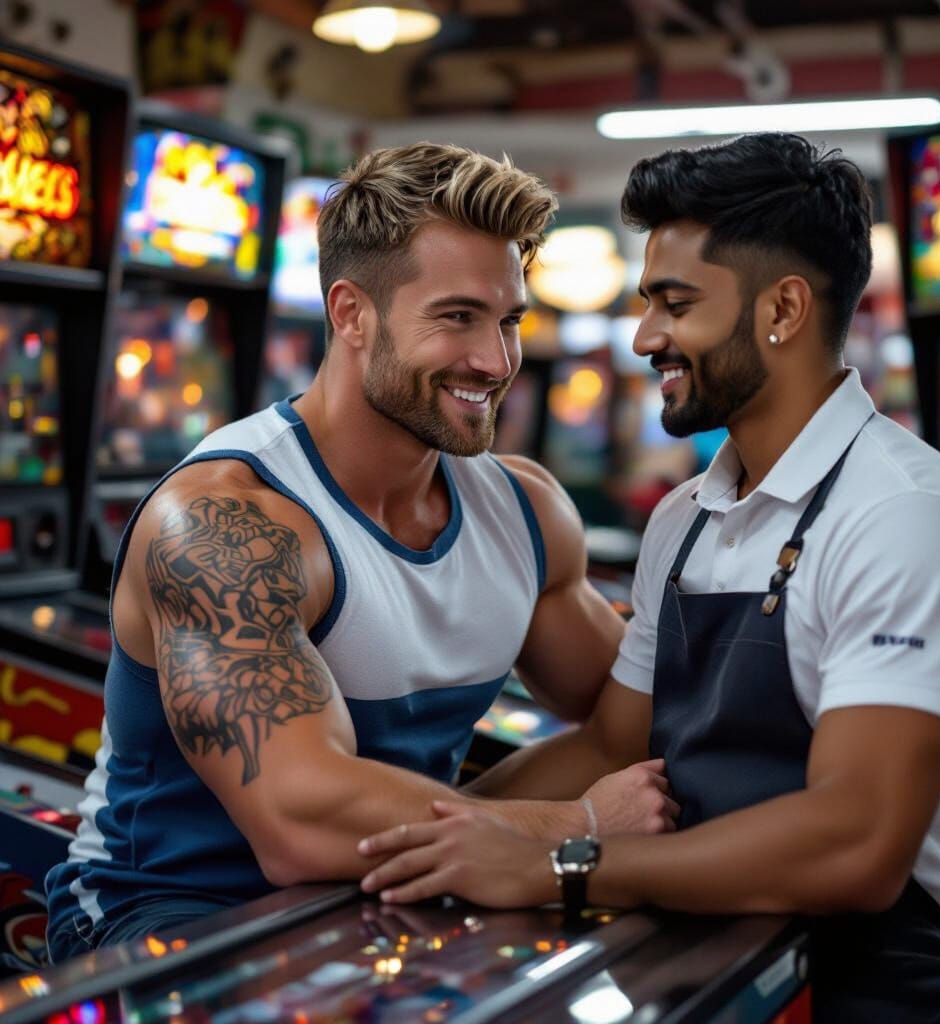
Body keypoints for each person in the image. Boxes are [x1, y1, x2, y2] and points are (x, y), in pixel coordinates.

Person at [358, 133, 940, 1022]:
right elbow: (609, 747)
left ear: (783, 309)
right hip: (693, 974)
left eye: (675, 304)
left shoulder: (903, 519)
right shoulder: (687, 519)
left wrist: (560, 865)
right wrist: (435, 837)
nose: (645, 337)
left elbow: (858, 844)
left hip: (874, 989)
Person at [45, 143, 677, 962]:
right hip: (167, 921)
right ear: (351, 314)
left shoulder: (522, 511)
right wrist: (576, 826)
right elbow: (302, 823)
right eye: (457, 317)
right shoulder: (224, 525)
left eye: (508, 320)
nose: (495, 360)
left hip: (378, 903)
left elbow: (629, 725)